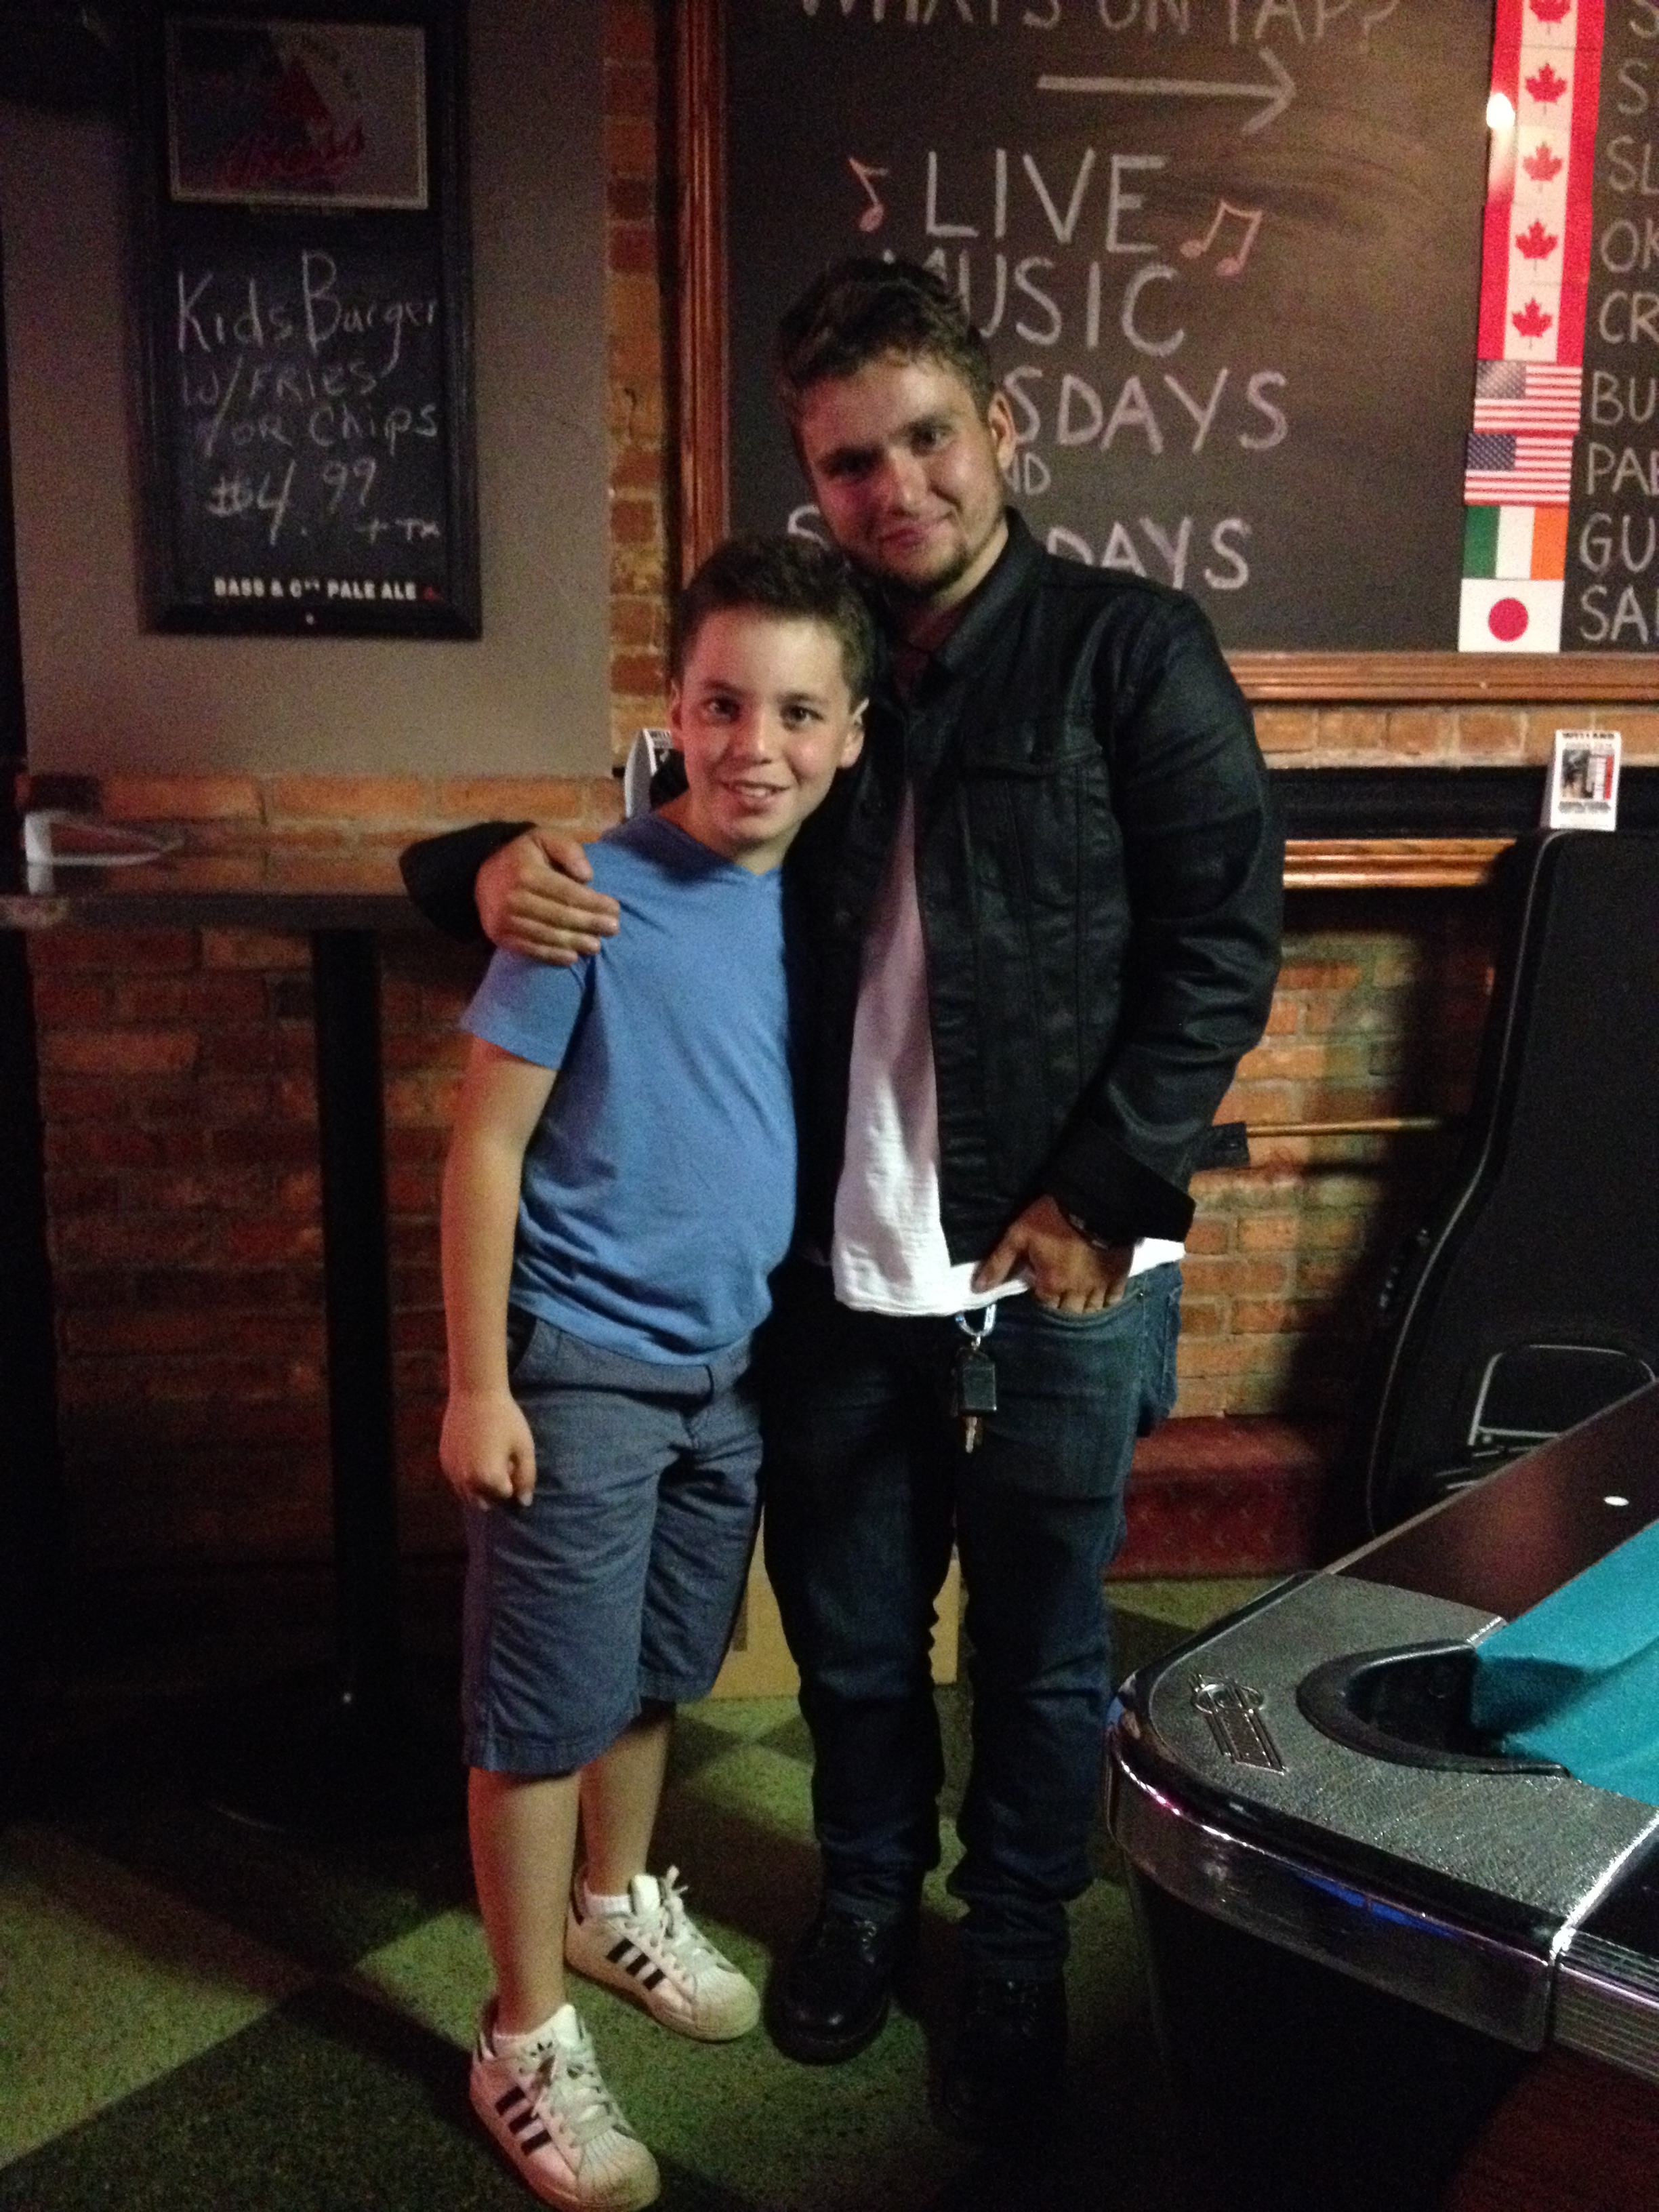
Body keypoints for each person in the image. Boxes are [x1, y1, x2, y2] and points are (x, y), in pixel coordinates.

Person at [405, 258, 1283, 2145]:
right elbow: (636, 846)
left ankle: (1020, 1938)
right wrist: (471, 865)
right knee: (856, 1638)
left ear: (999, 430)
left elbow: (1224, 940)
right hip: (827, 1279)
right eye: (850, 462)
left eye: (927, 439)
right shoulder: (814, 673)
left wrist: (1099, 1190)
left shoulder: (1133, 653)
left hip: (1056, 1274)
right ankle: (869, 1902)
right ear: (814, 481)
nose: (900, 489)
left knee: (1040, 1644)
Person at [438, 533, 870, 2211]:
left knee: (648, 1673)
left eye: (797, 713)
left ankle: (613, 1906)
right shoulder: (583, 899)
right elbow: (485, 1150)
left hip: (727, 1372)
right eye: (723, 704)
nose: (757, 744)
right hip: (577, 1369)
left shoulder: (821, 911)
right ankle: (520, 2032)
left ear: (847, 734)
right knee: (541, 1705)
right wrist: (479, 1384)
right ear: (672, 711)